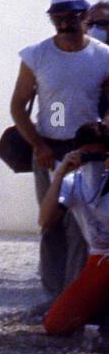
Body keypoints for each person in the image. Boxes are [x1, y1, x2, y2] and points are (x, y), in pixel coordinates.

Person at [10, 0, 109, 295]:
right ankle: (52, 295)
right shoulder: (36, 56)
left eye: (72, 17)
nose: (65, 24)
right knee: (51, 222)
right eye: (59, 18)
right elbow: (18, 106)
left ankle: (75, 293)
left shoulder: (103, 55)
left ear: (84, 17)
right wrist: (38, 146)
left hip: (89, 149)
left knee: (83, 226)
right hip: (49, 149)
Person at [40, 122, 109, 337]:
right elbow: (45, 220)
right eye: (86, 155)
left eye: (99, 156)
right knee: (56, 325)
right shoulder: (73, 183)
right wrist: (60, 173)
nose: (93, 162)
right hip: (98, 260)